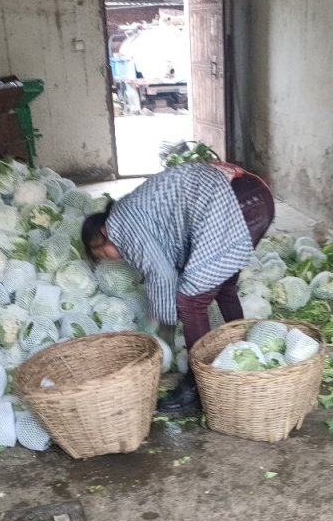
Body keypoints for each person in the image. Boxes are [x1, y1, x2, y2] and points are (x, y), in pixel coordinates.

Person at [81, 160, 275, 411]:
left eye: (103, 255)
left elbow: (161, 274)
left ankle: (198, 386)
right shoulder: (131, 212)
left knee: (191, 300)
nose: (112, 258)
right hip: (255, 198)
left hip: (234, 203)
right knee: (224, 286)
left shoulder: (120, 226)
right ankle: (243, 348)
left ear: (103, 236)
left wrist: (160, 330)